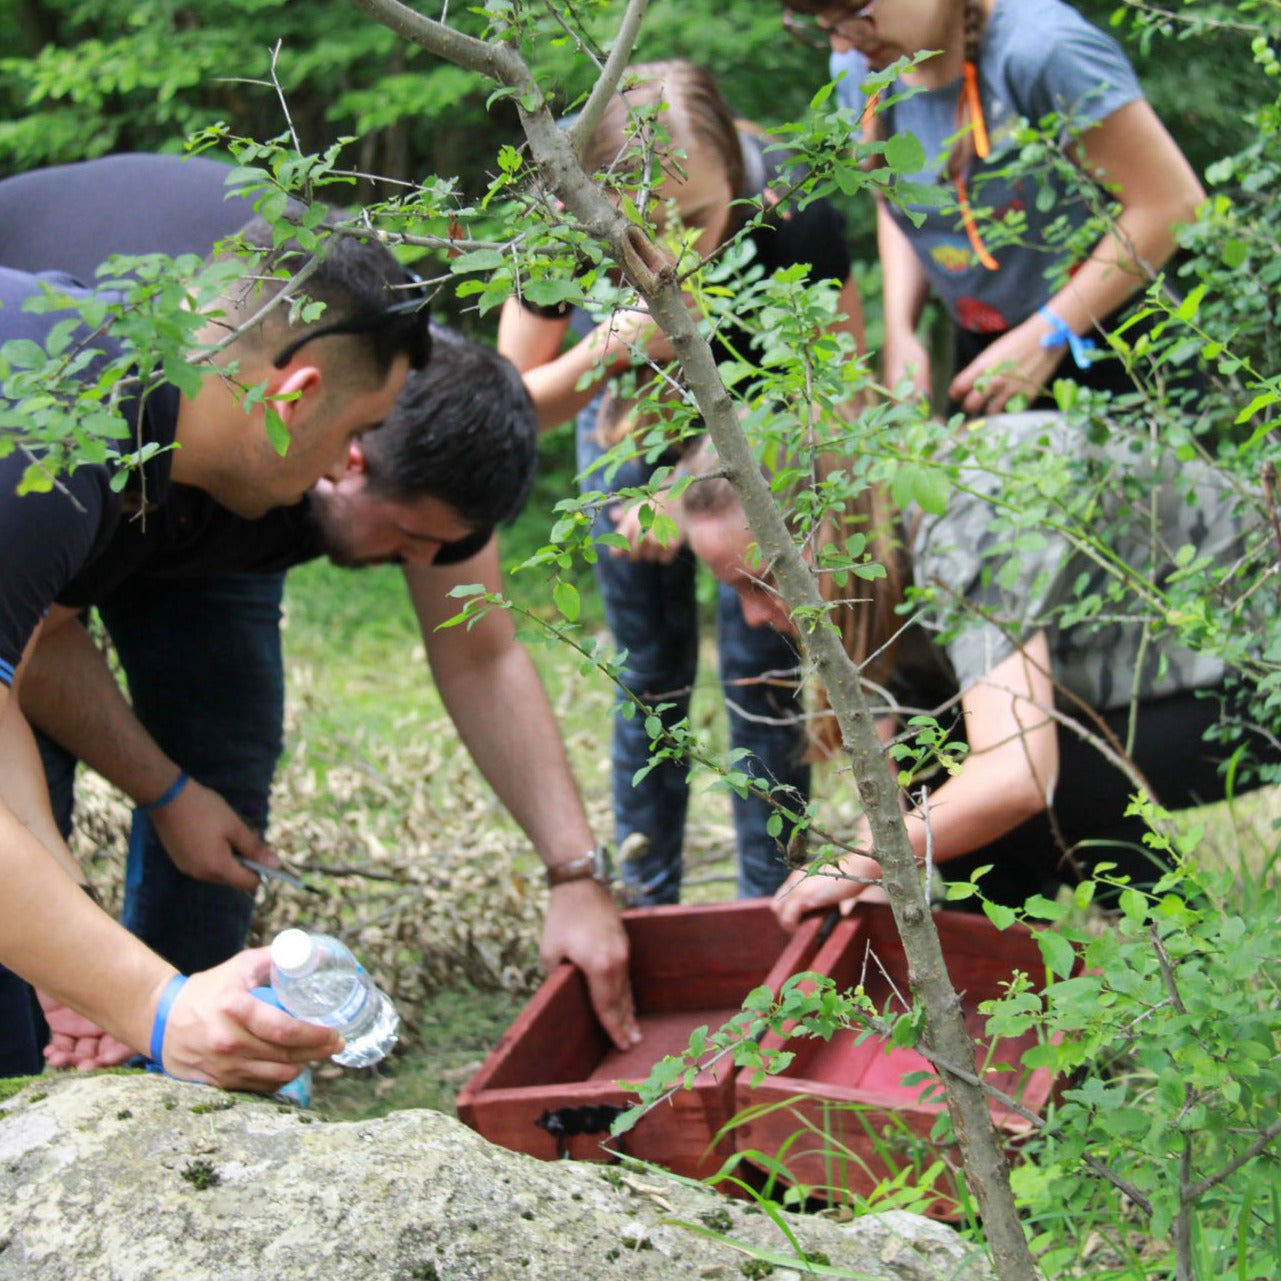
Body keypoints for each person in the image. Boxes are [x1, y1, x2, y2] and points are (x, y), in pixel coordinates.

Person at [0, 153, 638, 1068]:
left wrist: (573, 872)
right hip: (71, 480)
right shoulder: (77, 429)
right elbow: (29, 660)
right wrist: (128, 964)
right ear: (338, 445)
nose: (419, 565)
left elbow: (483, 655)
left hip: (186, 475)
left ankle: (185, 1047)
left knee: (222, 738)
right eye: (349, 439)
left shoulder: (335, 423)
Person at [0, 208, 426, 1088]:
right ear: (294, 396)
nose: (349, 466)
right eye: (357, 431)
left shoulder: (90, 382)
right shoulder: (49, 452)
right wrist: (161, 1006)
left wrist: (71, 941)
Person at [498, 60, 865, 904]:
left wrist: (698, 497)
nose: (666, 256)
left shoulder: (793, 209)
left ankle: (771, 907)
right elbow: (511, 408)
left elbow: (836, 408)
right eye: (636, 229)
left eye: (697, 219)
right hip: (625, 441)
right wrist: (615, 346)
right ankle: (648, 903)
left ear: (735, 175)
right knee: (648, 680)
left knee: (761, 677)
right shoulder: (558, 224)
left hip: (764, 459)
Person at [675, 412, 1270, 930]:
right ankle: (1001, 1009)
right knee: (937, 785)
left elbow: (1019, 776)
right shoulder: (876, 518)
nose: (752, 617)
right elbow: (895, 756)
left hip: (1256, 676)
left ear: (821, 529)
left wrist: (862, 860)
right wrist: (871, 860)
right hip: (1165, 671)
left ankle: (1193, 966)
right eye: (734, 593)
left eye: (761, 582)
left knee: (1008, 792)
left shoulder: (965, 516)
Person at [779, 0, 1206, 416]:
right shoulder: (861, 69)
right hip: (991, 353)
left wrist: (1047, 337)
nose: (842, 44)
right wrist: (901, 331)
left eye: (856, 13)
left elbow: (1172, 204)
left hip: (1121, 342)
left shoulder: (1041, 50)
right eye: (823, 24)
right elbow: (897, 202)